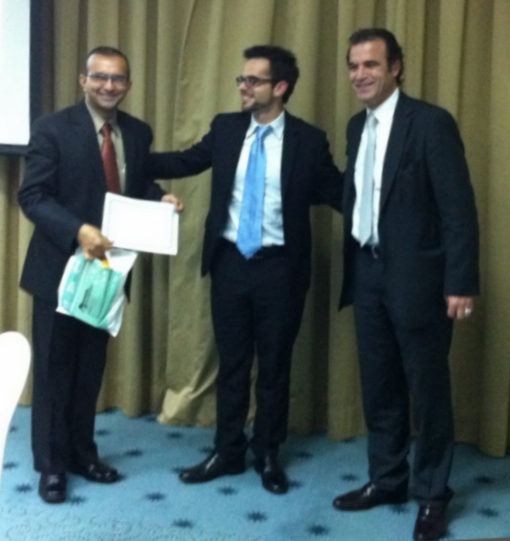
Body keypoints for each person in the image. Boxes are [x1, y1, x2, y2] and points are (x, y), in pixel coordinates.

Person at [150, 45, 342, 495]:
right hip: (231, 263)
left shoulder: (308, 141)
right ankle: (227, 450)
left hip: (281, 269)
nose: (243, 87)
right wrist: (129, 157)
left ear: (281, 87)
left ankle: (268, 454)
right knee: (232, 365)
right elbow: (185, 161)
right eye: (242, 79)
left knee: (274, 367)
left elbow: (337, 191)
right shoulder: (226, 128)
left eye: (253, 80)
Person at [332, 29, 479, 541]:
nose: (360, 75)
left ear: (396, 67)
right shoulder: (357, 126)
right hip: (367, 272)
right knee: (380, 386)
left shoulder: (431, 124)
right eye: (354, 66)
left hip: (421, 281)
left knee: (428, 390)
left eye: (371, 64)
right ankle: (387, 479)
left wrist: (460, 283)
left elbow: (458, 210)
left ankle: (433, 494)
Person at [18, 46, 183, 504]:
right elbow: (32, 196)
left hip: (109, 273)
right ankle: (52, 465)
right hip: (60, 270)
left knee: (90, 370)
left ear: (128, 84)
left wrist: (160, 198)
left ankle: (81, 453)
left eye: (118, 78)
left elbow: (136, 185)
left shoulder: (137, 132)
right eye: (100, 77)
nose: (109, 86)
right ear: (83, 80)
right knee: (55, 370)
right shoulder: (52, 128)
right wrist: (78, 231)